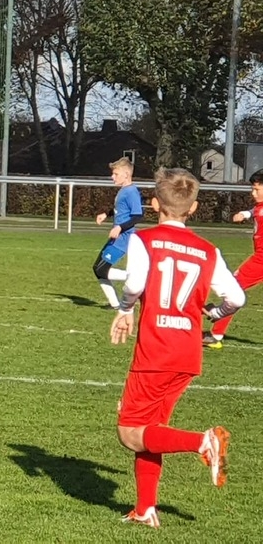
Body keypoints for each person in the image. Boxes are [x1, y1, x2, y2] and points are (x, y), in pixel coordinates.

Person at [108, 167, 243, 528]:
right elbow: (237, 298)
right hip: (187, 353)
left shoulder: (145, 240)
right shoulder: (208, 250)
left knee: (129, 433)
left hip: (155, 351)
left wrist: (125, 309)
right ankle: (145, 509)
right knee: (151, 431)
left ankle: (204, 441)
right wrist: (215, 313)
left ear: (154, 204)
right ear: (193, 208)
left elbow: (134, 284)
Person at [203, 169, 263, 349]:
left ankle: (216, 332)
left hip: (261, 260)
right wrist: (245, 214)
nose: (253, 193)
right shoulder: (259, 207)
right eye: (252, 189)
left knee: (233, 288)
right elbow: (255, 211)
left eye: (256, 190)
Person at [93, 157, 143, 308]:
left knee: (101, 269)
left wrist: (120, 227)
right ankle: (115, 304)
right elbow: (120, 209)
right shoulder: (124, 190)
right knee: (98, 269)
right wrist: (106, 214)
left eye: (115, 174)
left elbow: (137, 215)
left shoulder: (132, 192)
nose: (112, 177)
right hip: (117, 236)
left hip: (123, 238)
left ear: (126, 174)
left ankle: (137, 278)